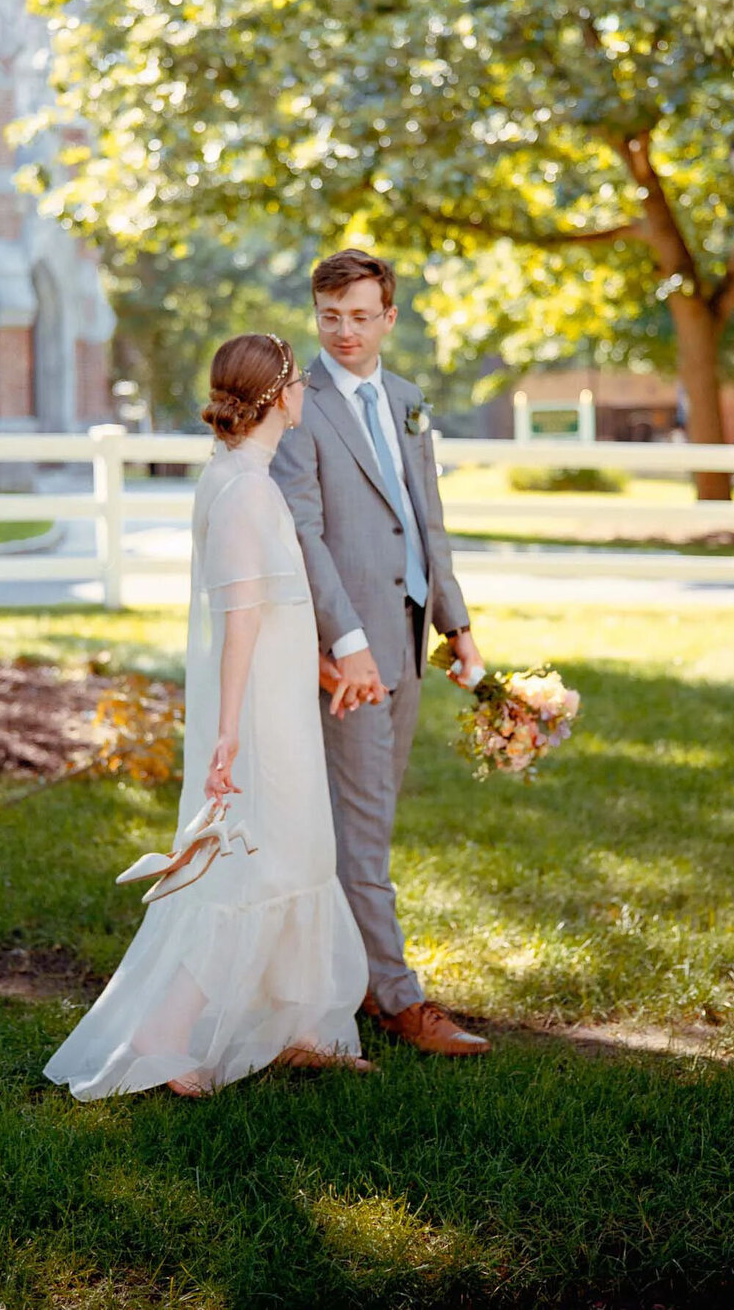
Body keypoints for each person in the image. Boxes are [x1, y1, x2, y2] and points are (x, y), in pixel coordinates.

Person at [44, 334, 372, 1099]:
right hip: (258, 717)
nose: (305, 394)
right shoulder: (244, 490)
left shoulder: (242, 476)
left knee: (299, 858)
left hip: (281, 697)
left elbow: (277, 605)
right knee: (253, 869)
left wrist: (317, 664)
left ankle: (298, 1028)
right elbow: (240, 622)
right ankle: (164, 1040)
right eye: (298, 382)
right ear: (279, 397)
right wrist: (228, 734)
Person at [270, 249, 492, 1057]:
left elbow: (426, 518)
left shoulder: (405, 401)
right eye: (331, 317)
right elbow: (304, 532)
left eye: (362, 316)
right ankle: (396, 998)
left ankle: (344, 972)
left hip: (404, 634)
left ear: (389, 317)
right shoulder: (300, 406)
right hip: (348, 652)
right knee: (362, 828)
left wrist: (453, 624)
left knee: (370, 818)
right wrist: (347, 643)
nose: (346, 331)